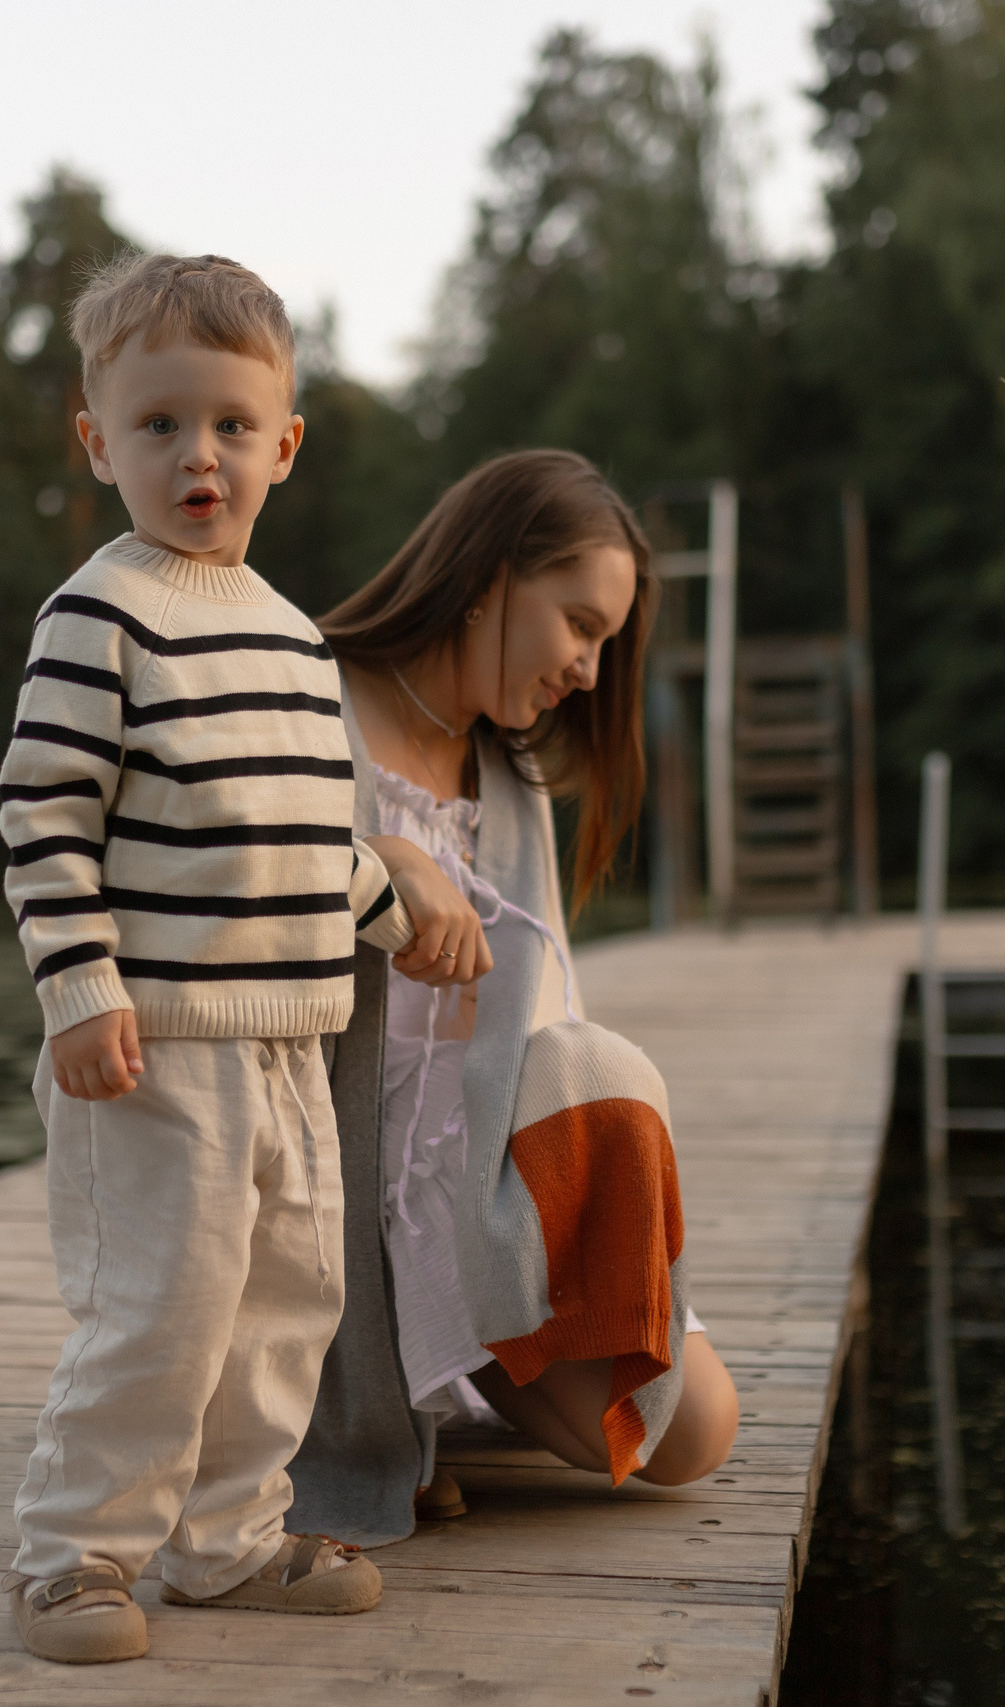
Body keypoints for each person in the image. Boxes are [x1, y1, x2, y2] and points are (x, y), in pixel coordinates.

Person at [0, 253, 471, 1664]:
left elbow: (301, 835)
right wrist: (78, 987)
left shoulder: (288, 634)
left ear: (283, 445)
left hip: (293, 1036)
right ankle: (75, 1548)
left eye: (228, 425)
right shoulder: (100, 613)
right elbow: (45, 816)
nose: (196, 454)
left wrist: (401, 905)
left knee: (284, 1299)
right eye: (157, 425)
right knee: (160, 1303)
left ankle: (229, 1538)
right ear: (99, 443)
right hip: (156, 1039)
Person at [287, 450, 742, 1546]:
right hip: (330, 1175)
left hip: (479, 1179)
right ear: (491, 576)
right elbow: (213, 889)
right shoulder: (305, 692)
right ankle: (382, 1386)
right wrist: (379, 856)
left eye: (604, 643)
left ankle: (451, 1368)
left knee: (695, 1431)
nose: (587, 670)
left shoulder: (510, 778)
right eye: (579, 625)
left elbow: (546, 1015)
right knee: (673, 1426)